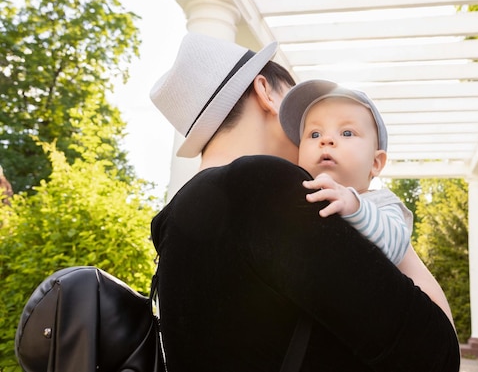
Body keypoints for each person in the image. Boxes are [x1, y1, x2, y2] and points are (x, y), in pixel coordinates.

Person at [149, 32, 460, 371]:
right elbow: (437, 354)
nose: (319, 138)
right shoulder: (264, 186)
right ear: (265, 92)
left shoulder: (171, 219)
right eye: (311, 127)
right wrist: (379, 214)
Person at [279, 80, 412, 267]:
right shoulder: (295, 199)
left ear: (375, 163)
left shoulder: (381, 203)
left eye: (347, 133)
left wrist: (354, 206)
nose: (326, 139)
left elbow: (398, 247)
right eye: (315, 134)